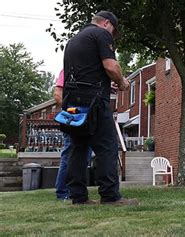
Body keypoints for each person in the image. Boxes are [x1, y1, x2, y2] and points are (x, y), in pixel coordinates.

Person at [63, 10, 137, 205]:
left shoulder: (73, 40)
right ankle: (110, 196)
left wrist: (106, 83)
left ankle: (78, 197)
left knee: (78, 147)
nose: (112, 35)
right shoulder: (101, 34)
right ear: (106, 23)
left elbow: (87, 71)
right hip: (94, 101)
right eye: (113, 31)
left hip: (72, 101)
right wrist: (121, 81)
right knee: (107, 146)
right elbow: (111, 66)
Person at [53, 69, 93, 200]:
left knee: (84, 156)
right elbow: (58, 94)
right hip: (73, 121)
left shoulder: (88, 70)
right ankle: (63, 192)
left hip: (85, 121)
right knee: (69, 155)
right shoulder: (68, 70)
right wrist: (70, 113)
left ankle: (74, 190)